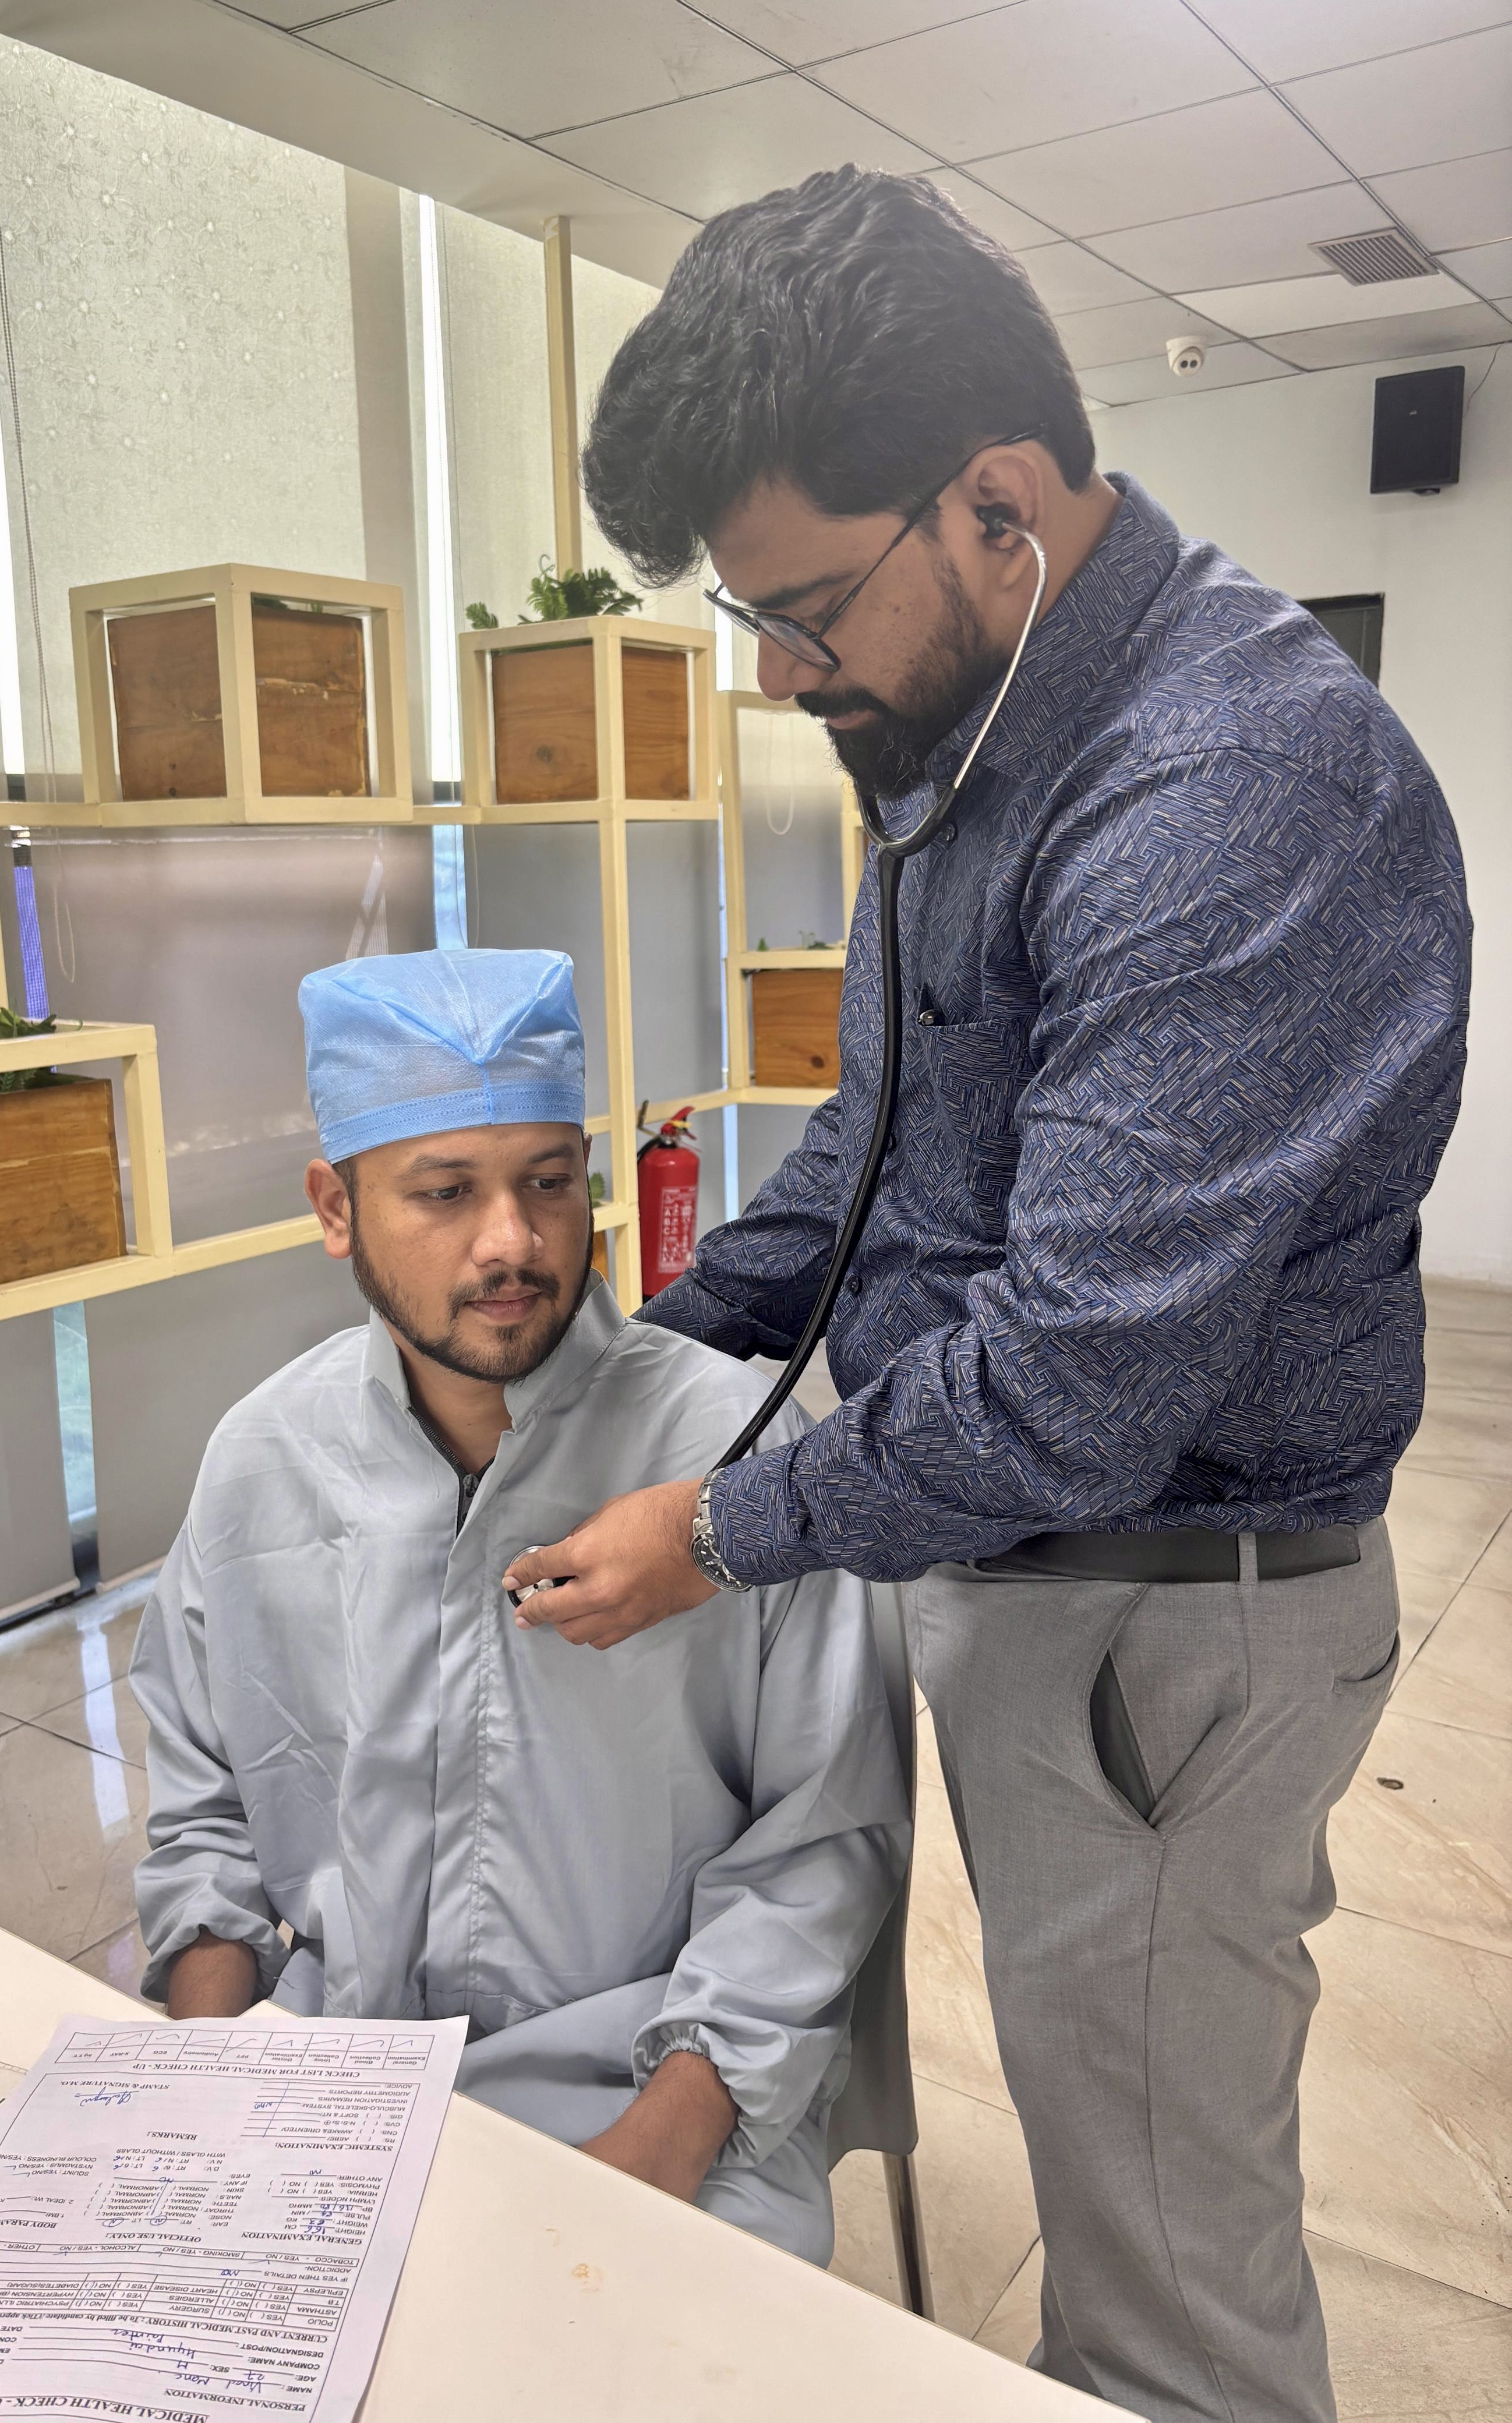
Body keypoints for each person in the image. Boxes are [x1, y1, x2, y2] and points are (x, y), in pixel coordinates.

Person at [502, 171, 1471, 2421]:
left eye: (807, 605)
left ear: (1000, 506)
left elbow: (1075, 1383)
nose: (777, 670)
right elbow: (889, 1138)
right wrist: (656, 1349)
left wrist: (718, 1528)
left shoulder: (1232, 790)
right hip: (1034, 1578)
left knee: (1163, 2284)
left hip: (1164, 1609)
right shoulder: (963, 734)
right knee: (1093, 2131)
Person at [129, 945, 909, 2264]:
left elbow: (824, 1847)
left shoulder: (743, 1458)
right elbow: (205, 1809)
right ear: (336, 1206)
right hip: (329, 2084)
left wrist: (645, 2164)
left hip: (657, 2104)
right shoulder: (263, 1461)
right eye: (444, 1193)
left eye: (549, 1182)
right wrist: (208, 2090)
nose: (513, 1240)